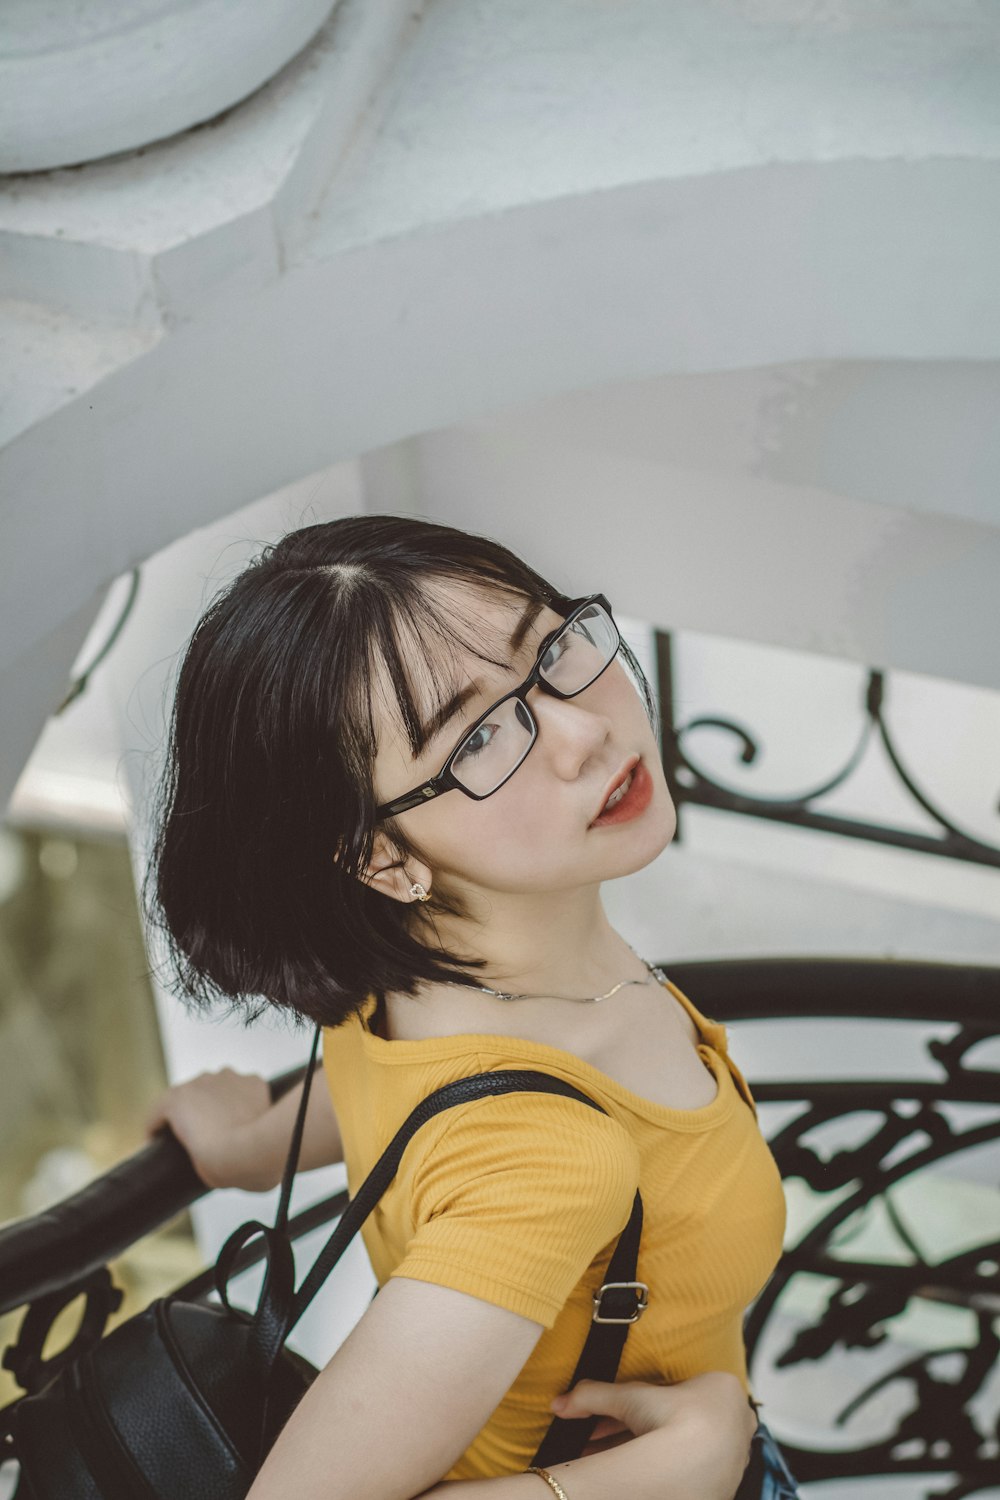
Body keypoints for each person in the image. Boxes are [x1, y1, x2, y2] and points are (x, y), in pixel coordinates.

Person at [143, 514, 785, 1500]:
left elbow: (423, 1120)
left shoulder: (398, 985)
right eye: (479, 735)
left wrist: (253, 1146)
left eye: (553, 651)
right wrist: (686, 1463)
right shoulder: (541, 1160)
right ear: (384, 858)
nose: (583, 731)